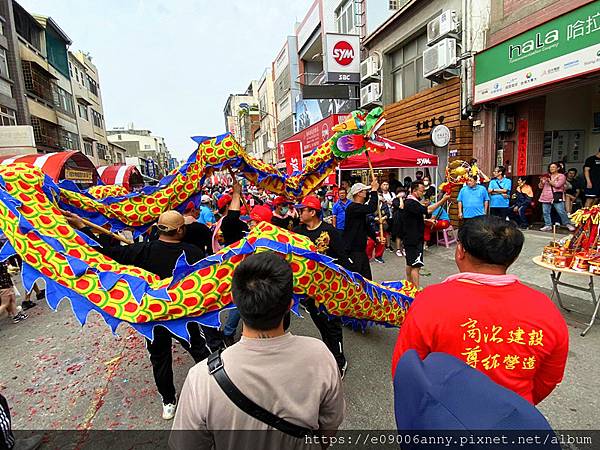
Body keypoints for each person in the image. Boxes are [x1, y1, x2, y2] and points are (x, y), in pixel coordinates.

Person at [170, 252, 345, 450]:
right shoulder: (319, 354)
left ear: (235, 303)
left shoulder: (202, 378)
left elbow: (186, 445)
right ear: (290, 304)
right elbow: (331, 421)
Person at [391, 216, 569, 405]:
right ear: (514, 257)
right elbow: (548, 379)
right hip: (514, 421)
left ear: (460, 251)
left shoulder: (430, 300)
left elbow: (404, 370)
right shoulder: (545, 308)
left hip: (444, 418)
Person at [65, 210, 222, 420]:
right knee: (198, 349)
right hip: (182, 315)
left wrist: (85, 228)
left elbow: (104, 255)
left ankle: (168, 401)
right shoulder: (192, 253)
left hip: (153, 317)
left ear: (158, 229)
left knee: (160, 358)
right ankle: (216, 386)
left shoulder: (142, 250)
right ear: (180, 230)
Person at [294, 195, 351, 377]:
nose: (299, 212)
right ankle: (328, 352)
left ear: (313, 212)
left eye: (302, 210)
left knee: (333, 326)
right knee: (321, 325)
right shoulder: (298, 232)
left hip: (329, 290)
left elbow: (343, 258)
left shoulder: (330, 231)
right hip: (309, 291)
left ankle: (339, 360)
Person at [402, 181, 450, 288]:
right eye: (421, 191)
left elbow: (413, 218)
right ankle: (416, 290)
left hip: (410, 236)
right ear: (414, 191)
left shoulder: (411, 202)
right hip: (414, 238)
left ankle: (409, 286)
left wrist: (426, 221)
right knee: (416, 266)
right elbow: (428, 210)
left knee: (410, 263)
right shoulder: (411, 202)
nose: (423, 193)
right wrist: (443, 200)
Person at [343, 179, 379, 280]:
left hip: (360, 249)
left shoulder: (359, 209)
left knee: (367, 278)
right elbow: (371, 207)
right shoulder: (353, 208)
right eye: (365, 191)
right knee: (357, 278)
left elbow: (366, 226)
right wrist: (374, 190)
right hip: (353, 249)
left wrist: (376, 238)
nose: (366, 193)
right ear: (359, 193)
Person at [539, 162, 575, 232]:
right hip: (545, 195)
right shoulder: (547, 176)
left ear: (558, 168)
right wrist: (541, 182)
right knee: (545, 212)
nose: (551, 168)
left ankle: (567, 224)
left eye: (553, 167)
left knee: (561, 211)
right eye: (550, 167)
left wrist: (549, 180)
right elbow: (540, 187)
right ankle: (548, 225)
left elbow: (557, 185)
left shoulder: (561, 176)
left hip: (556, 196)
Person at [0, 260, 27, 324]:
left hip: (6, 283)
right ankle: (15, 315)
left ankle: (16, 315)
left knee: (12, 299)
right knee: (4, 304)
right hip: (4, 285)